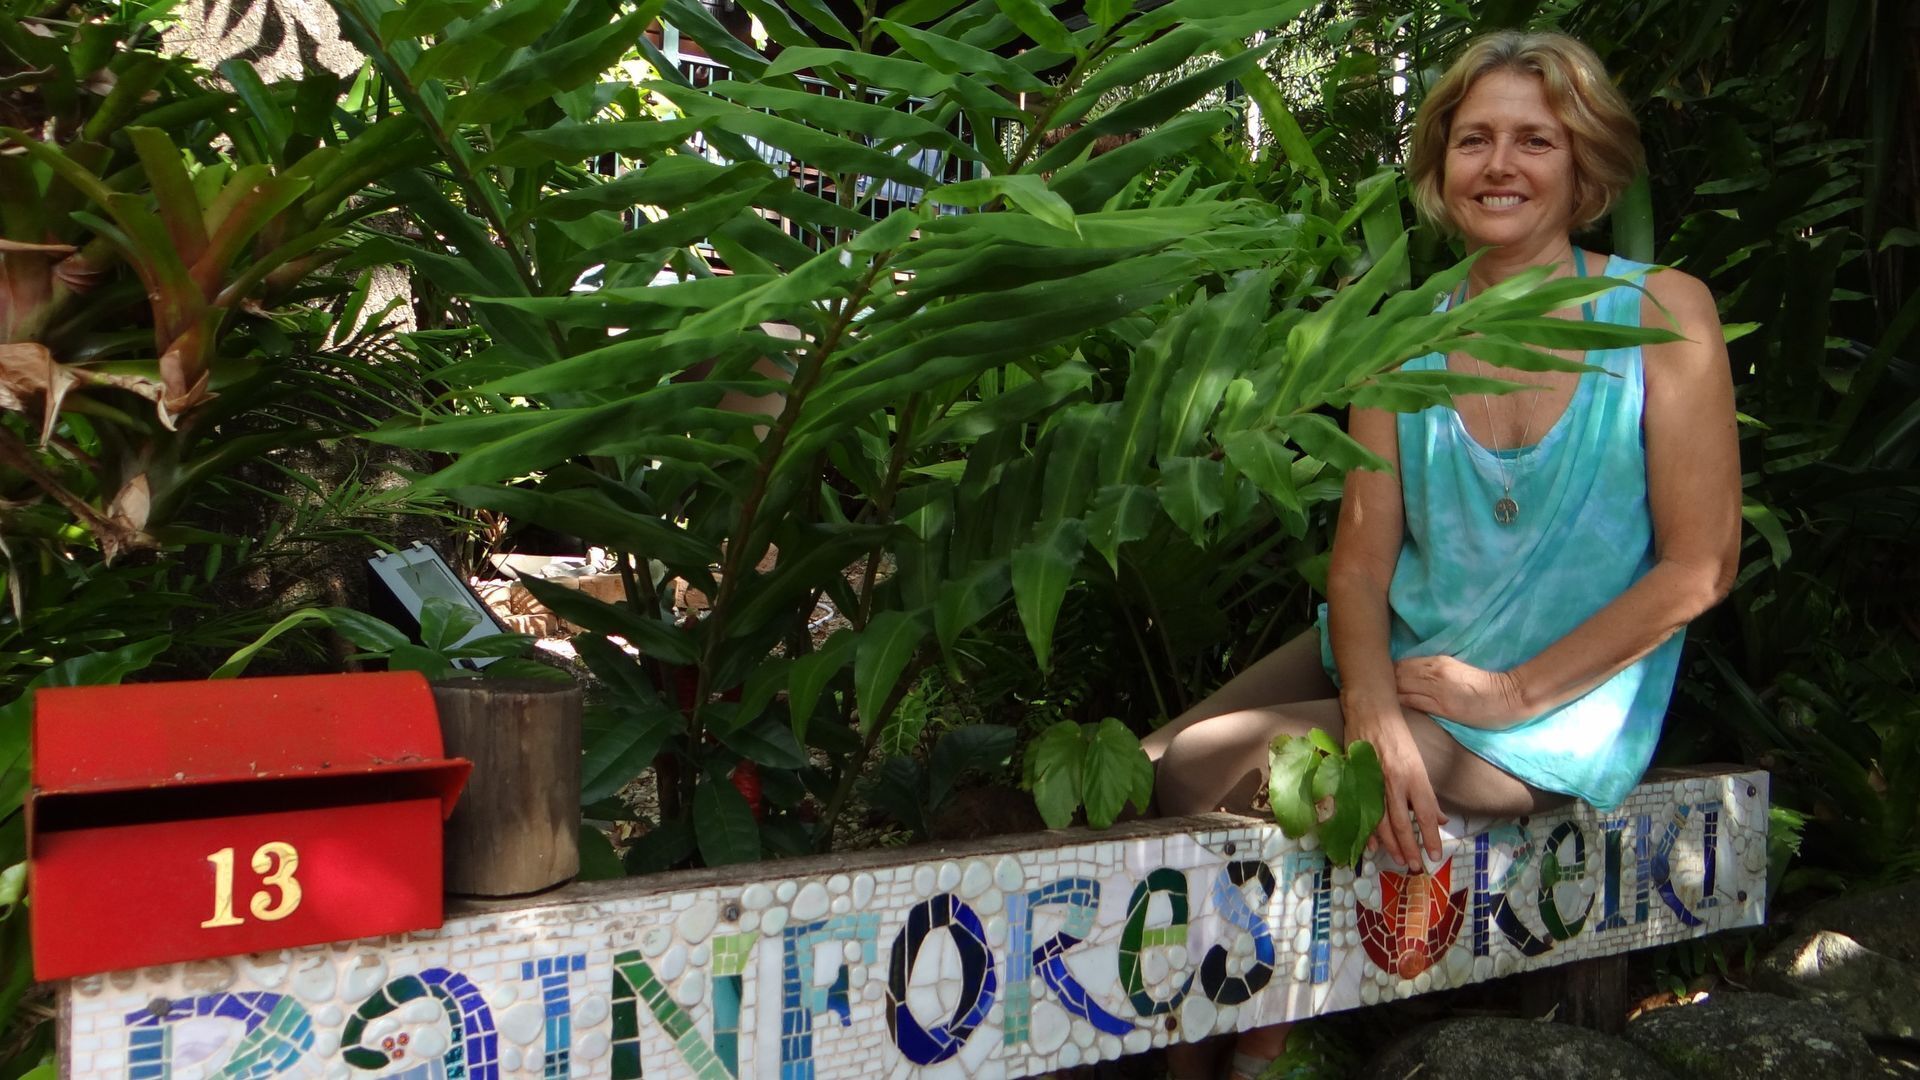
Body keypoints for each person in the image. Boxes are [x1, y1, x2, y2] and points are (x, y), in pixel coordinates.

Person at [1143, 29, 1741, 1080]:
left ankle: (1243, 1054)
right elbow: (1360, 565)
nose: (1499, 165)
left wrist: (1509, 693)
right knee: (1141, 768)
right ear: (1439, 163)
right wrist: (1375, 717)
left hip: (1551, 705)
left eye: (1534, 141)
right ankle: (1200, 1045)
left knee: (1203, 767)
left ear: (1586, 165)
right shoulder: (1406, 331)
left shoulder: (1660, 312)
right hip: (1406, 650)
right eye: (1474, 140)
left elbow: (1701, 567)